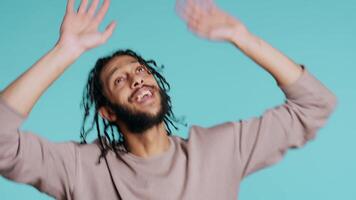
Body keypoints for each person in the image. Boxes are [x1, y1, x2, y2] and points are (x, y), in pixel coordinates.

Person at [0, 0, 337, 199]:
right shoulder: (78, 169)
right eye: (120, 79)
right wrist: (64, 53)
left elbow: (316, 103)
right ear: (107, 112)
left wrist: (241, 37)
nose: (136, 78)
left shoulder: (219, 150)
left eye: (141, 71)